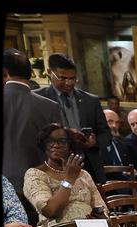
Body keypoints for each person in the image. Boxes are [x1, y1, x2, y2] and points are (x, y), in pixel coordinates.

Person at [22, 123, 136, 227]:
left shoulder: (83, 174)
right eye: (50, 141)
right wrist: (68, 180)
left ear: (70, 146)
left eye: (62, 141)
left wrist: (100, 214)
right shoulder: (35, 175)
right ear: (44, 144)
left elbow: (100, 205)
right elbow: (50, 211)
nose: (55, 145)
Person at [35, 53, 112, 184]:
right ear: (49, 72)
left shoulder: (90, 101)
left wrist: (94, 142)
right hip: (55, 169)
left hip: (89, 167)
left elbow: (106, 135)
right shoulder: (39, 99)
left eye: (72, 78)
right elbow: (37, 136)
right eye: (62, 78)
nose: (68, 83)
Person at [4, 48, 61, 193]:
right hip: (39, 187)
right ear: (29, 71)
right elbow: (58, 151)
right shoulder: (50, 107)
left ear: (4, 72)